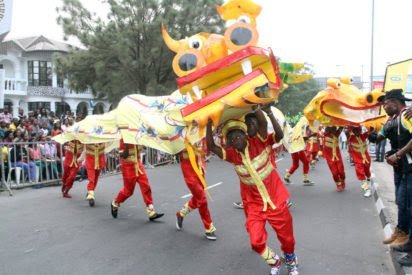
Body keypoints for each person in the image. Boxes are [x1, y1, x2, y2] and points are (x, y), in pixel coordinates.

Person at [206, 106, 298, 275]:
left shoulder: (259, 141)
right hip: (255, 206)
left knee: (287, 239)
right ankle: (274, 261)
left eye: (238, 135)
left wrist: (259, 108)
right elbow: (211, 146)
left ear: (245, 135)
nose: (236, 140)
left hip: (276, 200)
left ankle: (291, 261)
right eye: (231, 138)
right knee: (256, 242)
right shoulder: (232, 155)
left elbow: (266, 126)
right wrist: (208, 124)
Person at [378, 89, 412, 266]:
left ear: (396, 102)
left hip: (409, 168)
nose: (384, 107)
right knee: (404, 204)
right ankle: (406, 241)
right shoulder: (395, 119)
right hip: (405, 168)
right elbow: (382, 137)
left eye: (386, 103)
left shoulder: (407, 114)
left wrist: (397, 155)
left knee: (409, 206)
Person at [111, 139, 164, 221]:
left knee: (146, 186)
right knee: (128, 191)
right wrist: (127, 145)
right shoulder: (124, 138)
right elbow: (123, 154)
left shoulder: (137, 136)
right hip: (128, 167)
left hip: (138, 166)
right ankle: (115, 202)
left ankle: (151, 211)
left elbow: (142, 149)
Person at [175, 140, 217, 240]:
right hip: (189, 172)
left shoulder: (201, 131)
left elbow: (205, 151)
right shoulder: (180, 133)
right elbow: (175, 150)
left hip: (200, 169)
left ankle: (181, 213)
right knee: (202, 199)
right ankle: (209, 227)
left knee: (198, 197)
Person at [347, 126, 372, 197]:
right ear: (353, 131)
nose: (357, 131)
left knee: (367, 173)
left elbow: (371, 130)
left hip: (367, 159)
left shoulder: (363, 135)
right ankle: (367, 189)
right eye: (355, 130)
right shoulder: (351, 138)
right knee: (361, 174)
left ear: (360, 130)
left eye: (358, 130)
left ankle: (368, 183)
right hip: (358, 161)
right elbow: (347, 134)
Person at [323, 126, 346, 191]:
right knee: (334, 172)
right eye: (332, 128)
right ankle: (338, 184)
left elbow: (341, 127)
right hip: (330, 158)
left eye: (334, 128)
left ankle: (342, 181)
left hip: (338, 157)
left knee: (341, 171)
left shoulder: (337, 134)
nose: (334, 130)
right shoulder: (325, 134)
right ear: (329, 129)